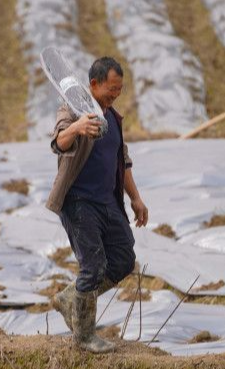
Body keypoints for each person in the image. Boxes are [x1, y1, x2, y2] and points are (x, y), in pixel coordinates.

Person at [45, 57, 148, 353]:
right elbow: (58, 142)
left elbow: (123, 160)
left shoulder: (113, 119)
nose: (115, 94)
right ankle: (84, 336)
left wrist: (136, 198)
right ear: (94, 84)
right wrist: (77, 127)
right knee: (92, 266)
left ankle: (70, 298)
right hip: (79, 203)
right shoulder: (73, 110)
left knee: (123, 259)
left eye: (120, 89)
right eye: (111, 89)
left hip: (107, 202)